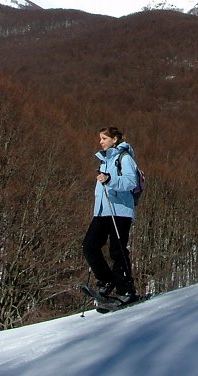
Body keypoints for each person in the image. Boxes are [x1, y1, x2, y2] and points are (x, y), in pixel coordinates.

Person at [82, 126, 138, 302]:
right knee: (89, 246)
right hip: (102, 211)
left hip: (120, 211)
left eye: (104, 138)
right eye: (100, 139)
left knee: (117, 250)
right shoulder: (104, 160)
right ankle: (107, 280)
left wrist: (110, 179)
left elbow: (131, 182)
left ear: (114, 139)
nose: (100, 142)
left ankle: (126, 289)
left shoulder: (125, 158)